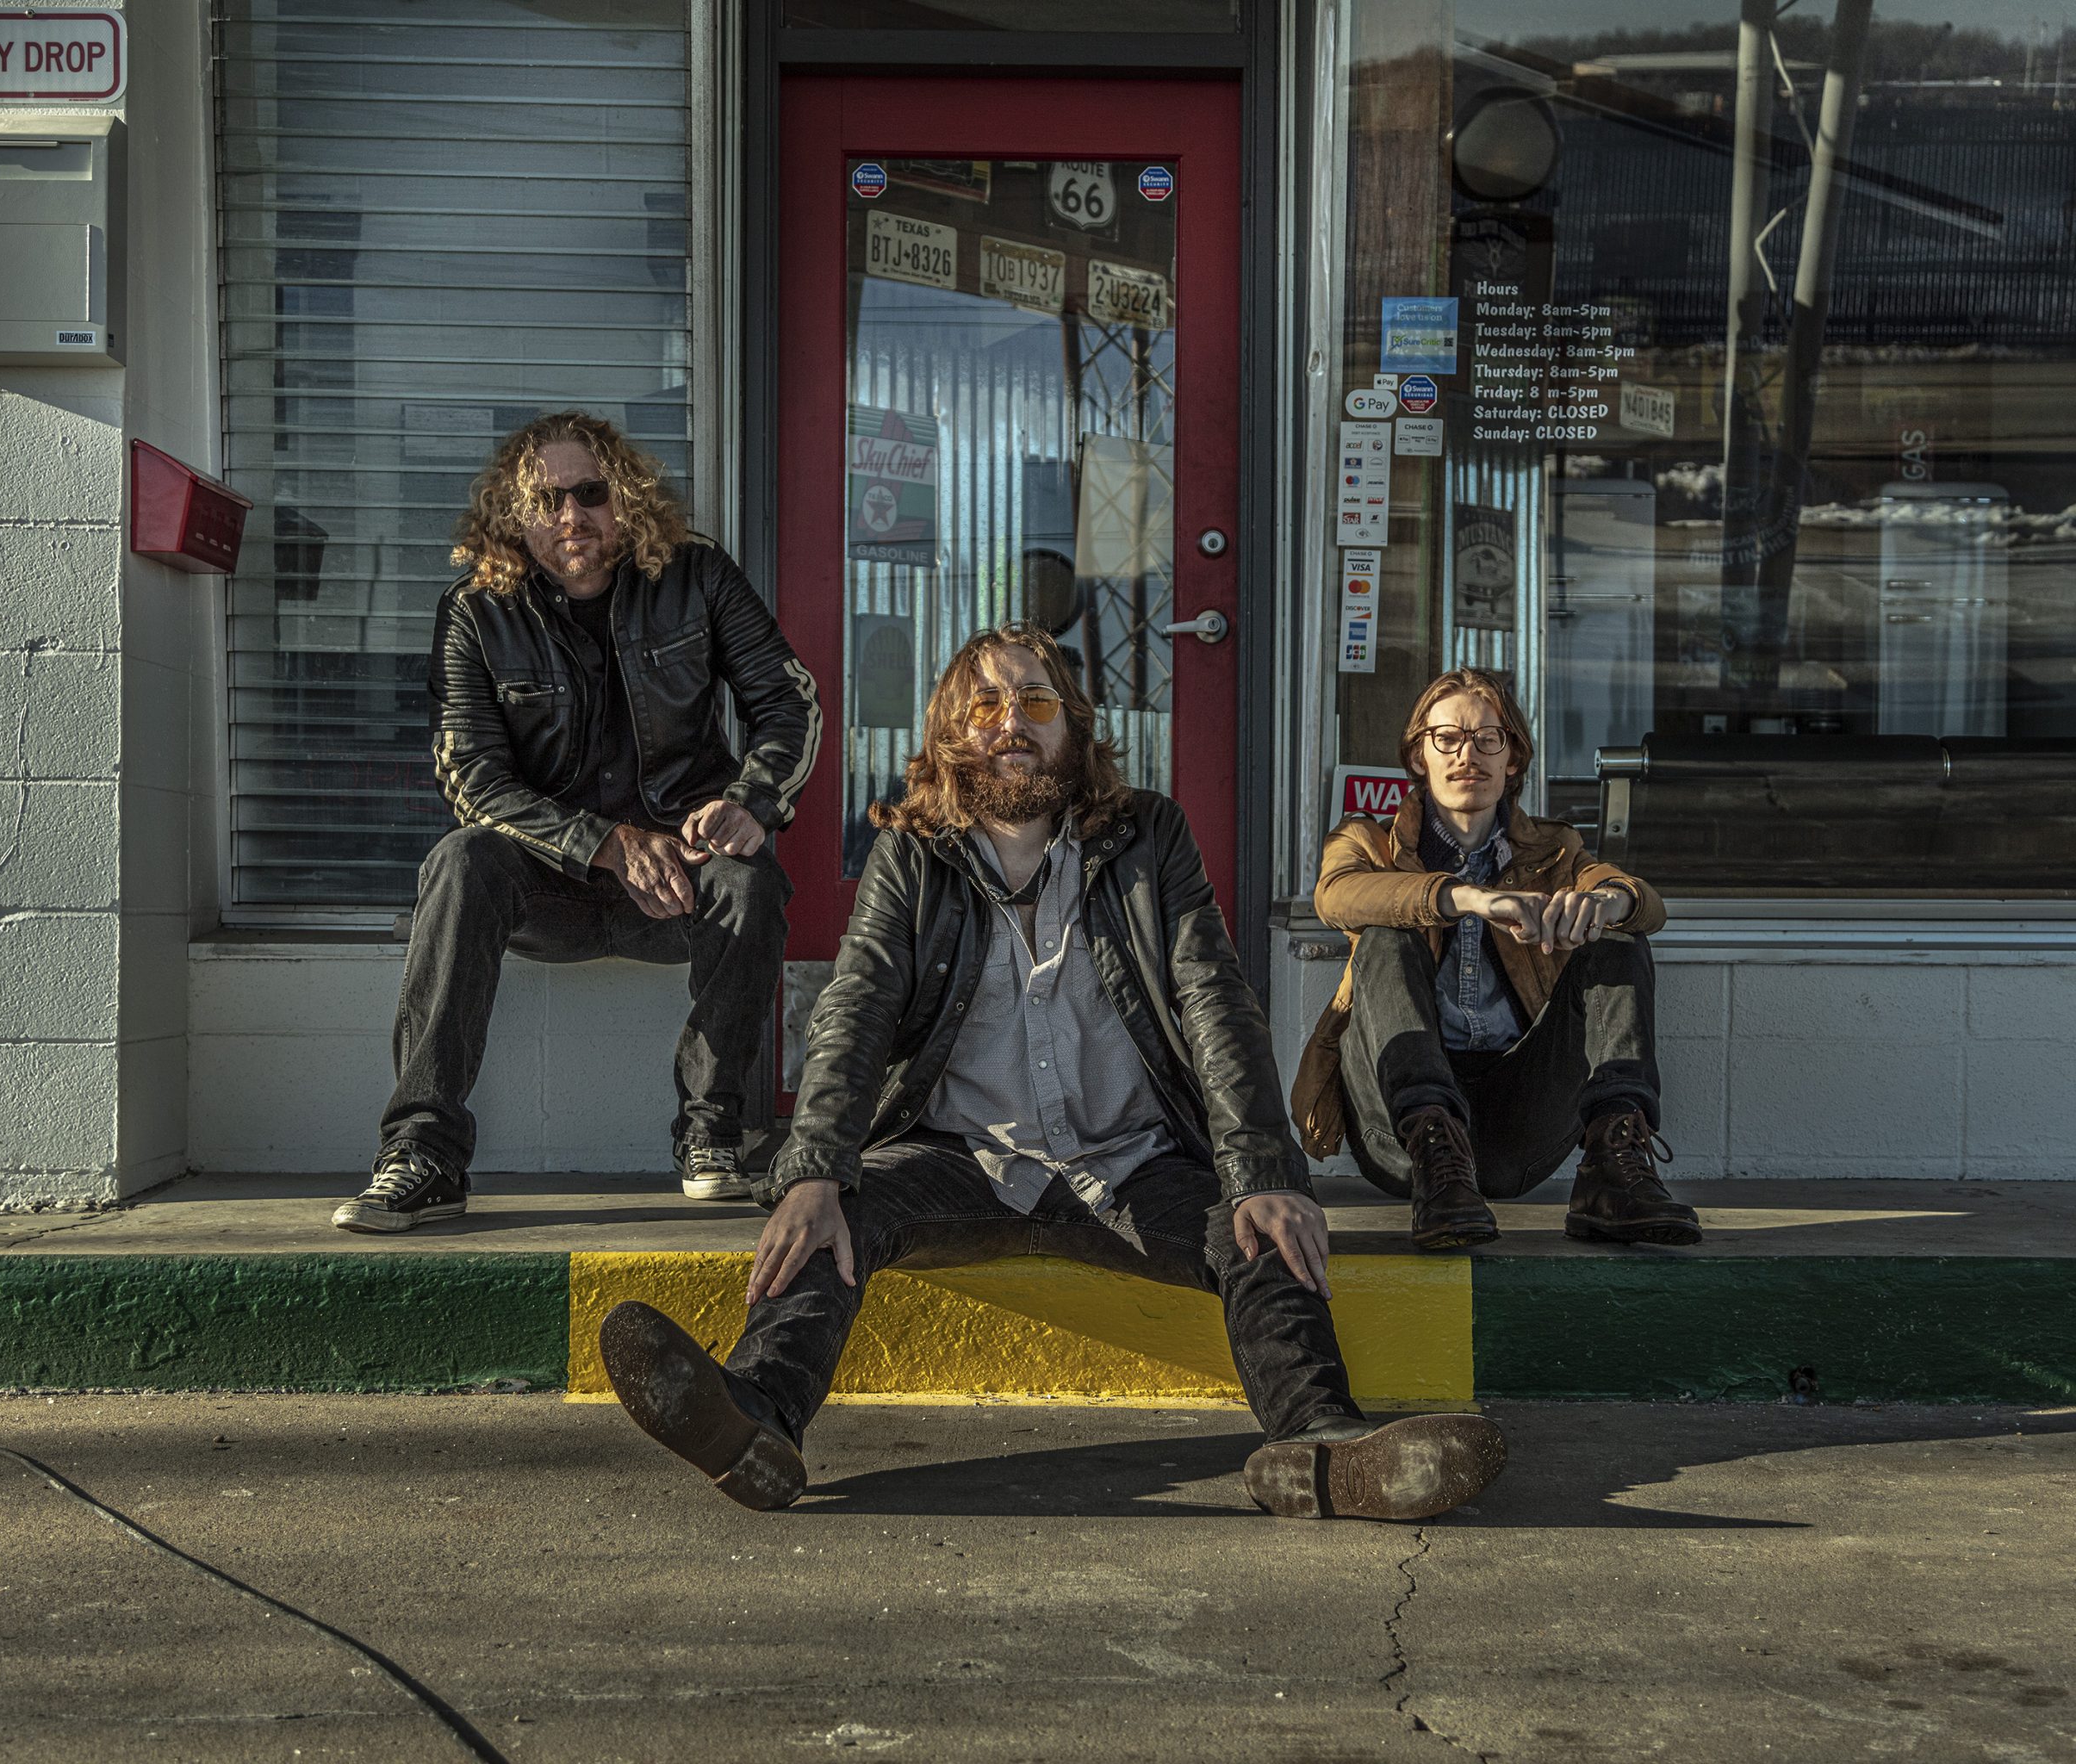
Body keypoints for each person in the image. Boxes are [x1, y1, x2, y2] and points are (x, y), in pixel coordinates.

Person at [596, 624, 1507, 1519]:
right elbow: (857, 1006)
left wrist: (1264, 1170)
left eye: (1034, 701)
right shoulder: (912, 853)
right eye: (985, 705)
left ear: (1072, 722)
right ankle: (756, 1418)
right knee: (837, 1212)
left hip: (1132, 1157)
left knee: (1261, 1233)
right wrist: (813, 1170)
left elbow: (1214, 1001)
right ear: (951, 734)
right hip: (964, 1158)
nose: (1010, 722)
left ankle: (1321, 1447)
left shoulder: (1150, 836)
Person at [333, 412, 820, 1232]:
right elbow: (473, 778)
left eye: (591, 493)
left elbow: (787, 701)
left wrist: (752, 802)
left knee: (750, 877)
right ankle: (424, 1152)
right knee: (460, 861)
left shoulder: (697, 575)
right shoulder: (476, 611)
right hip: (549, 887)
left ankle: (713, 1133)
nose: (572, 516)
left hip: (681, 879)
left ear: (625, 497)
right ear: (513, 514)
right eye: (546, 500)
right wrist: (605, 844)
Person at [1290, 667, 1699, 1252]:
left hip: (1516, 1129)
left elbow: (1646, 905)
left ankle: (1612, 1174)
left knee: (1616, 936)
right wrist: (1467, 898)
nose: (1467, 755)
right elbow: (1336, 896)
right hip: (1405, 1138)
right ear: (1418, 756)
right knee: (1386, 935)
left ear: (1513, 759)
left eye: (1488, 738)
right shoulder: (1367, 842)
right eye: (1447, 738)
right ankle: (1440, 1161)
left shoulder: (1555, 851)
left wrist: (1608, 900)